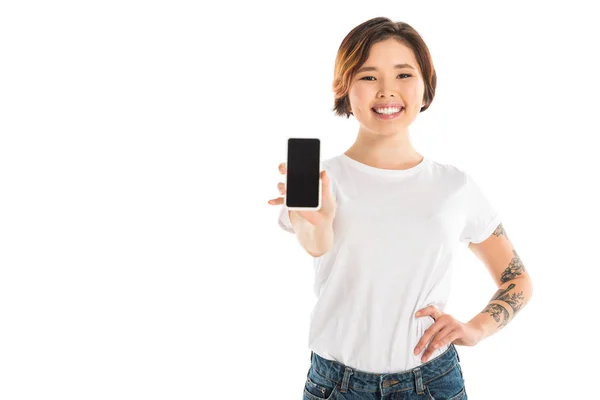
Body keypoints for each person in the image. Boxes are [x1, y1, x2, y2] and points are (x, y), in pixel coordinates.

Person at [267, 17, 533, 400]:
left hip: (431, 384)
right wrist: (319, 218)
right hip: (335, 386)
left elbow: (517, 280)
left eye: (404, 74)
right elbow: (316, 242)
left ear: (426, 88)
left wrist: (476, 328)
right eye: (369, 77)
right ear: (345, 89)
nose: (387, 91)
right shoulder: (320, 181)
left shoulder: (453, 186)